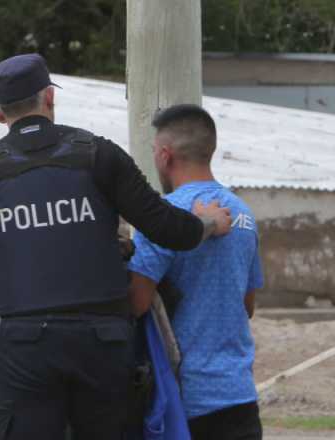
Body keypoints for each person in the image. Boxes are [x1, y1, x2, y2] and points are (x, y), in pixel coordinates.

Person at [0, 54, 233, 440]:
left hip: (26, 351)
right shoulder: (98, 155)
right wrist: (209, 222)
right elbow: (168, 228)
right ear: (49, 98)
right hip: (101, 347)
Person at [127, 104, 264, 440]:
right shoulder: (243, 214)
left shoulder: (163, 217)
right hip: (240, 396)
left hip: (183, 401)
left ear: (164, 155)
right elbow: (247, 306)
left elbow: (136, 302)